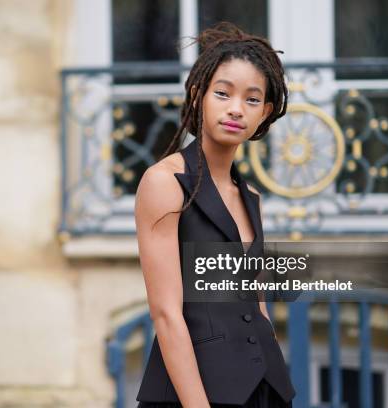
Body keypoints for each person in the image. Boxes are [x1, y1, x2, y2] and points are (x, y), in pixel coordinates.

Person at [134, 22, 295, 407]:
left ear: (265, 113)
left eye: (252, 100)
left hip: (264, 389)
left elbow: (255, 302)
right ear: (198, 96)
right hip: (194, 394)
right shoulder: (164, 183)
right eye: (222, 93)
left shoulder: (251, 196)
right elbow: (166, 313)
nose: (236, 109)